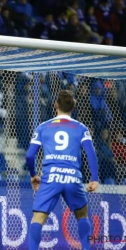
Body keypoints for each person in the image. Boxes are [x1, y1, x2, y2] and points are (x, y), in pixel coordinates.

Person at [26, 90, 99, 250]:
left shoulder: (43, 127)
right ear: (73, 107)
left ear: (56, 105)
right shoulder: (81, 128)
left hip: (51, 177)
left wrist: (33, 175)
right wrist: (94, 178)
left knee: (38, 219)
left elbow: (30, 156)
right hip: (73, 177)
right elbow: (91, 154)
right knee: (82, 215)